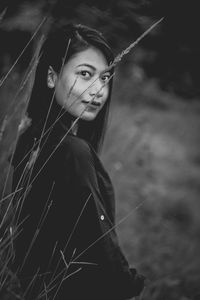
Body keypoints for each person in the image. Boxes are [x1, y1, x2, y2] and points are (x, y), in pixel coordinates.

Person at [11, 23, 145, 300]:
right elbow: (97, 238)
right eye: (85, 74)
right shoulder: (72, 151)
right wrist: (128, 284)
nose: (98, 90)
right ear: (51, 76)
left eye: (105, 78)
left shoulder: (31, 137)